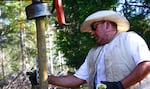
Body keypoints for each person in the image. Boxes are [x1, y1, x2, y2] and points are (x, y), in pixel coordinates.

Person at [48, 10, 150, 89]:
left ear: (106, 24)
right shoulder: (94, 53)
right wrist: (47, 78)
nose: (91, 33)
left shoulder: (129, 39)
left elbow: (146, 65)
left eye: (94, 27)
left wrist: (120, 85)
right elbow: (76, 79)